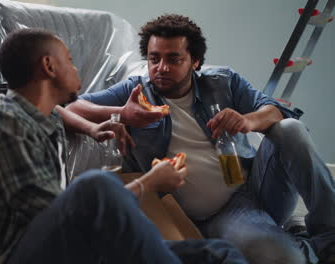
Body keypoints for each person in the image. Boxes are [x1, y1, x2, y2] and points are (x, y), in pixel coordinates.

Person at [0, 28, 248, 264]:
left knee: (218, 254)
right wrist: (148, 183)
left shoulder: (38, 116)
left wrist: (99, 126)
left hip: (60, 247)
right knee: (97, 185)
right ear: (48, 66)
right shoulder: (3, 120)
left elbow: (61, 113)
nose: (76, 66)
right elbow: (53, 215)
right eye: (69, 60)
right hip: (10, 256)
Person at [67, 14, 335, 263]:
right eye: (154, 58)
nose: (161, 68)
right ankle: (298, 240)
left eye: (173, 59)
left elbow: (277, 110)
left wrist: (247, 120)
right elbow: (72, 108)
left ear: (194, 61)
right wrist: (121, 114)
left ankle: (329, 235)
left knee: (289, 129)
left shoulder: (222, 81)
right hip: (209, 215)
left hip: (251, 189)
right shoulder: (136, 92)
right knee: (284, 257)